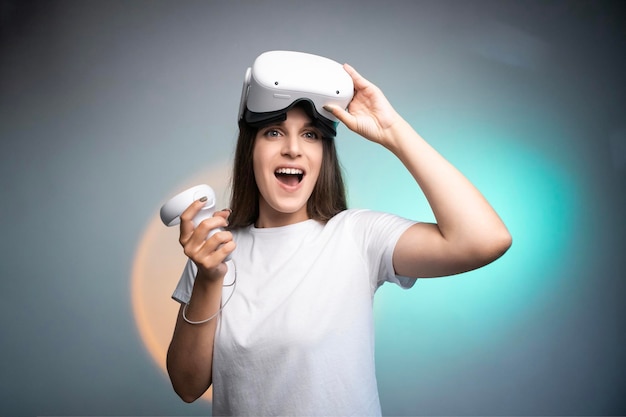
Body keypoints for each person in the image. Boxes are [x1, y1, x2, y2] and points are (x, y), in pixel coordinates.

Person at [165, 54, 512, 416]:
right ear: (250, 149)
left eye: (310, 135)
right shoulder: (214, 252)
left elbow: (484, 240)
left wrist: (393, 132)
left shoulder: (357, 236)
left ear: (324, 154)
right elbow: (187, 386)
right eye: (274, 132)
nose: (293, 149)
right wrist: (208, 278)